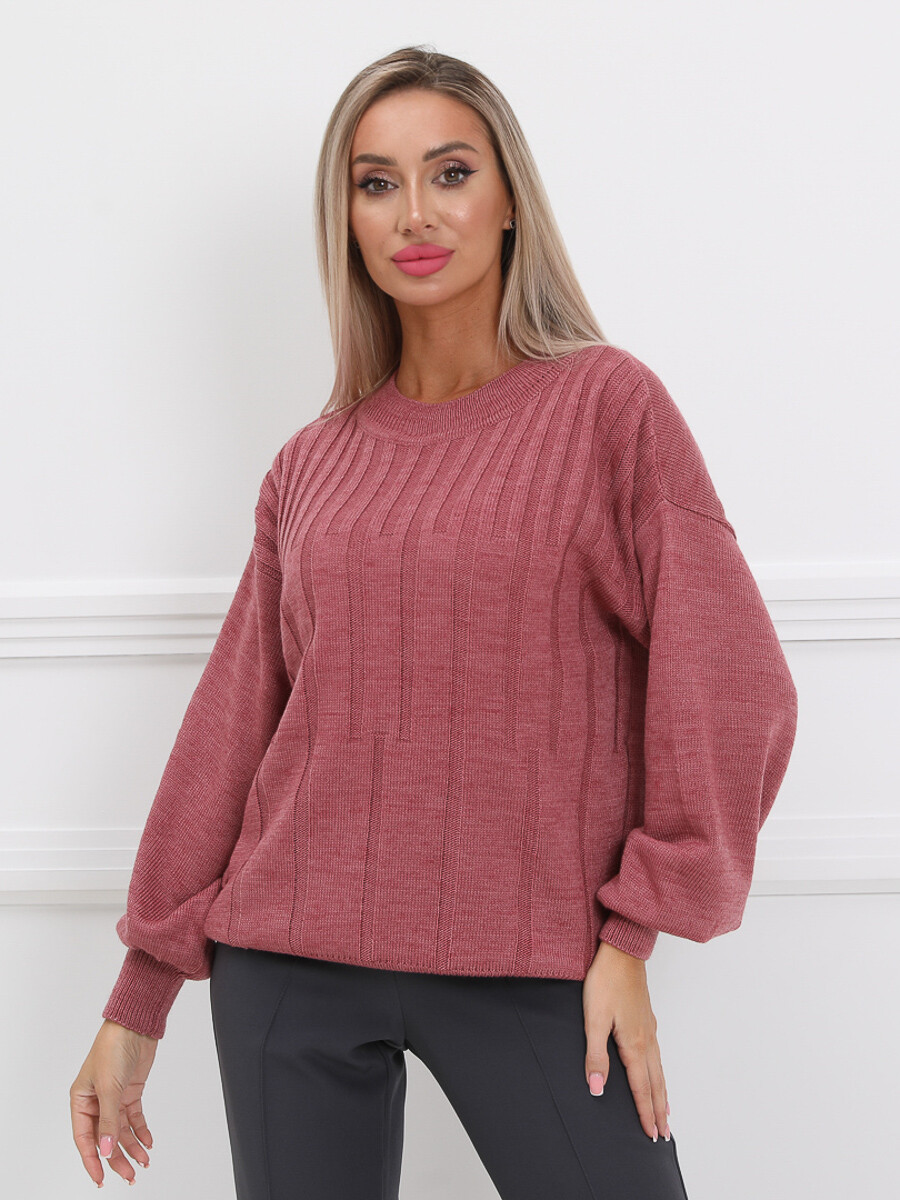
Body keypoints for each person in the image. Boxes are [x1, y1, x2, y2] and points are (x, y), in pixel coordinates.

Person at [70, 45, 798, 1199]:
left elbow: (737, 684)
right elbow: (234, 725)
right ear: (348, 221)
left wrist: (632, 934)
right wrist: (137, 998)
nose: (414, 212)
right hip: (289, 965)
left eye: (450, 172)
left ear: (509, 200)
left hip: (534, 967)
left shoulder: (609, 409)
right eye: (377, 183)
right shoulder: (312, 462)